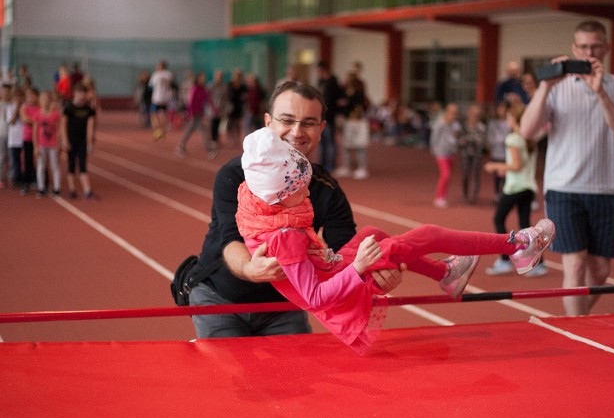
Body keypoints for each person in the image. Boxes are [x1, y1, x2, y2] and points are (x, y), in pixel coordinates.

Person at [236, 126, 555, 352]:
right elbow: (315, 298)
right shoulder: (285, 236)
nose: (308, 192)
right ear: (278, 197)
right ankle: (519, 246)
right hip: (338, 282)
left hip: (333, 266)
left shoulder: (259, 205)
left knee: (372, 233)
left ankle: (446, 274)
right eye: (299, 190)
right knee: (428, 234)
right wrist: (359, 267)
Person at [188, 81, 405, 339]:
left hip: (285, 306)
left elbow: (346, 252)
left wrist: (377, 275)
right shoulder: (235, 175)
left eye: (309, 122)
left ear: (322, 128)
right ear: (268, 122)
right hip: (221, 298)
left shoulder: (327, 189)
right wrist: (249, 269)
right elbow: (230, 239)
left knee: (298, 376)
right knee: (229, 376)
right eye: (287, 120)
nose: (297, 131)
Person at [520, 20, 614, 316]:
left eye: (595, 46)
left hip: (606, 190)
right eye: (583, 46)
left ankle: (575, 323)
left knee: (599, 271)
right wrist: (546, 87)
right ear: (574, 49)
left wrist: (600, 93)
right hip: (563, 188)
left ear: (607, 47)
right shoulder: (556, 89)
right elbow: (526, 131)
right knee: (575, 264)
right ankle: (578, 332)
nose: (589, 52)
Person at [484, 103, 547, 277]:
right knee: (525, 225)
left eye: (509, 117)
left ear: (517, 120)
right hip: (528, 187)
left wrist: (495, 165)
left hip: (514, 188)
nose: (507, 120)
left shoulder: (513, 138)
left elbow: (517, 165)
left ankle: (505, 260)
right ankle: (539, 263)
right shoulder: (530, 138)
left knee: (498, 219)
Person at [61, 83, 96, 199]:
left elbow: (90, 126)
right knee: (71, 164)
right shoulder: (69, 108)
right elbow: (63, 125)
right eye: (79, 93)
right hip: (71, 140)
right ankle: (72, 189)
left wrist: (90, 142)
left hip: (82, 141)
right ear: (74, 94)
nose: (81, 95)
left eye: (83, 93)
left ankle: (87, 190)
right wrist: (64, 140)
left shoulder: (88, 109)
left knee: (82, 164)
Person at [176, 72, 218, 159]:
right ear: (197, 79)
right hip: (194, 114)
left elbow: (208, 100)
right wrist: (190, 113)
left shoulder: (203, 89)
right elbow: (190, 101)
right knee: (202, 130)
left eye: (204, 78)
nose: (204, 79)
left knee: (191, 130)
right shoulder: (194, 88)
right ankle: (209, 149)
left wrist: (214, 109)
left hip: (199, 113)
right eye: (202, 77)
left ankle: (181, 146)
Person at [430, 102, 460, 208]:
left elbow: (456, 138)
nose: (454, 115)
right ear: (447, 112)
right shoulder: (440, 123)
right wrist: (434, 150)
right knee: (445, 174)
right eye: (452, 112)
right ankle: (439, 197)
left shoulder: (456, 124)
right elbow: (434, 137)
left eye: (456, 113)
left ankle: (443, 196)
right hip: (441, 152)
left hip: (451, 152)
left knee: (448, 176)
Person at [33, 91, 62, 197]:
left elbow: (59, 130)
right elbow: (35, 131)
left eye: (47, 99)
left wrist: (59, 143)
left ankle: (56, 188)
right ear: (39, 101)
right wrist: (35, 146)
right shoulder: (37, 114)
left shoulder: (55, 114)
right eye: (43, 99)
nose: (45, 101)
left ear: (50, 101)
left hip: (53, 144)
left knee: (55, 166)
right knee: (41, 166)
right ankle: (41, 188)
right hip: (41, 144)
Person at [458, 103, 486, 204]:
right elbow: (460, 139)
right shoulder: (464, 126)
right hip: (465, 153)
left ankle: (474, 196)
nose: (474, 114)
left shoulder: (481, 126)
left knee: (475, 174)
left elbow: (481, 141)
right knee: (465, 174)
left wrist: (469, 139)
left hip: (476, 154)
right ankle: (465, 195)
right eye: (473, 112)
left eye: (477, 112)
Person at [316, 61, 342, 172]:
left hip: (330, 117)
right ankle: (322, 164)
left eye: (319, 71)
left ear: (323, 70)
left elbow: (339, 99)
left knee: (330, 141)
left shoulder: (333, 81)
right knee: (321, 141)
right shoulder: (320, 81)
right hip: (321, 116)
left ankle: (331, 165)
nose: (318, 73)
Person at [486, 101, 510, 202]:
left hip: (507, 153)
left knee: (506, 175)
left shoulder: (509, 122)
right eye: (500, 108)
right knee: (497, 176)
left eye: (504, 108)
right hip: (496, 152)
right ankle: (497, 194)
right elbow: (490, 137)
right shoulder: (493, 123)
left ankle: (506, 194)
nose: (501, 111)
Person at [19, 87, 39, 196]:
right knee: (27, 161)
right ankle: (25, 184)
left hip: (40, 139)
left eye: (34, 95)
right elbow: (25, 119)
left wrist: (34, 121)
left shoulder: (39, 107)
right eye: (30, 95)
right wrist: (36, 121)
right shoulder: (24, 107)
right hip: (28, 137)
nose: (32, 98)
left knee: (40, 161)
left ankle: (39, 182)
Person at [148, 60, 174, 142]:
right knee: (164, 115)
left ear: (160, 66)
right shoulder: (169, 74)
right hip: (165, 98)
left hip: (157, 98)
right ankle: (163, 135)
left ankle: (158, 132)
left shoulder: (156, 74)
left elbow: (151, 85)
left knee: (153, 115)